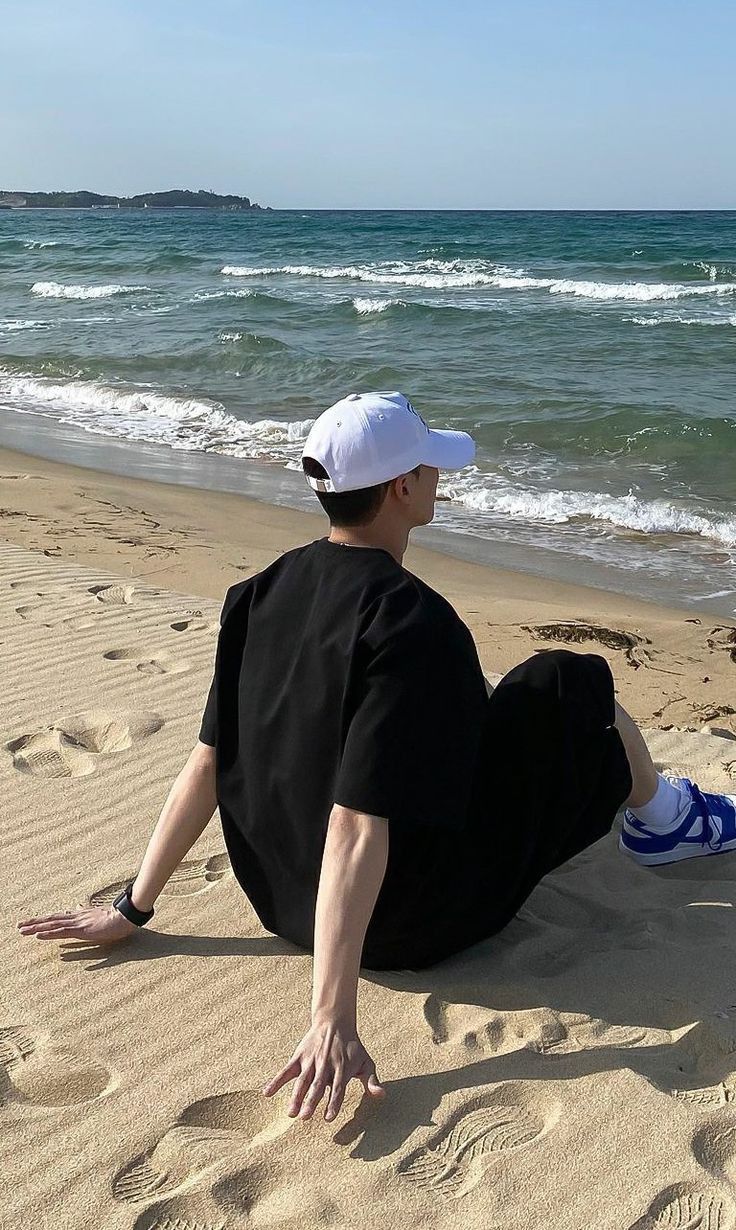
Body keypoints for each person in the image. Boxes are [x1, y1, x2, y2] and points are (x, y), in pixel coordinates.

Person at [17, 391, 736, 1126]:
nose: (438, 480)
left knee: (494, 707)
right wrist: (332, 1016)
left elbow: (207, 762)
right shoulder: (414, 621)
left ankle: (655, 809)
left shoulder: (256, 593)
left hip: (280, 900)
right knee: (567, 678)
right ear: (401, 487)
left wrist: (132, 906)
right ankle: (666, 819)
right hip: (404, 926)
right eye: (430, 467)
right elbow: (358, 824)